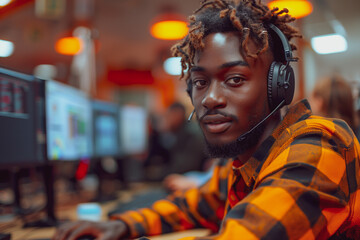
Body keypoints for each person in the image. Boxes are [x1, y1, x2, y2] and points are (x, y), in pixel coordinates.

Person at [53, 0, 360, 239]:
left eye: (235, 79)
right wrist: (121, 227)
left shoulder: (320, 145)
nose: (210, 98)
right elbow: (190, 206)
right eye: (200, 82)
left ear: (278, 87)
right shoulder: (245, 163)